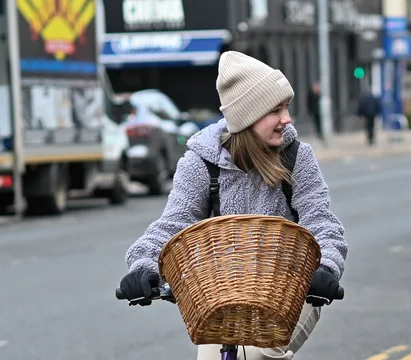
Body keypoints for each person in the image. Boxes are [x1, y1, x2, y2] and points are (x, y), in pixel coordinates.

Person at [119, 51, 347, 360]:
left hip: (291, 288)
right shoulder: (201, 162)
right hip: (225, 293)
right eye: (276, 110)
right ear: (248, 116)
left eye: (286, 108)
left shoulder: (296, 157)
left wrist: (327, 266)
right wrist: (144, 265)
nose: (287, 119)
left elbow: (319, 218)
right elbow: (173, 223)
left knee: (256, 355)